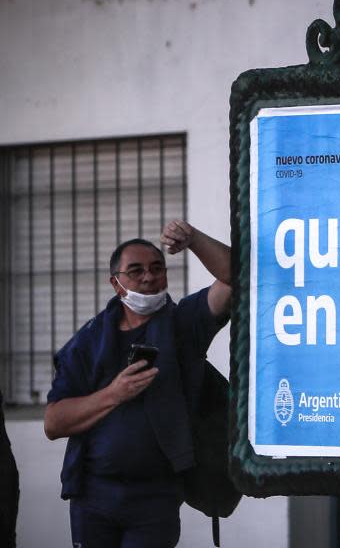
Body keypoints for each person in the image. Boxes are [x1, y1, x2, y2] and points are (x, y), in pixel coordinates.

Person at [44, 219, 232, 548]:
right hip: (94, 494)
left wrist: (194, 239)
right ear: (117, 284)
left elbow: (236, 276)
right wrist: (113, 394)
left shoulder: (183, 323)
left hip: (156, 495)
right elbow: (54, 423)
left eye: (157, 268)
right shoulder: (89, 342)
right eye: (136, 270)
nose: (148, 277)